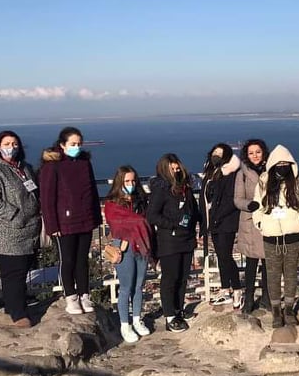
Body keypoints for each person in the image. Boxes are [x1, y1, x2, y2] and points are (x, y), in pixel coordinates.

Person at [251, 145, 299, 327]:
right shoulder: (263, 183)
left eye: (286, 163)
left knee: (291, 274)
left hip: (294, 236)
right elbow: (257, 207)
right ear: (272, 165)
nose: (282, 166)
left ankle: (289, 309)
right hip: (271, 237)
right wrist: (260, 224)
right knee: (273, 275)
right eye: (279, 163)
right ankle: (276, 310)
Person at [0, 130, 42, 328]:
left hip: (28, 230)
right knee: (14, 273)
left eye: (15, 144)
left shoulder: (24, 167)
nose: (11, 147)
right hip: (6, 232)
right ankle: (18, 314)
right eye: (7, 144)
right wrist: (16, 215)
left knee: (21, 271)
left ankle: (13, 306)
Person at [39, 127, 102, 316]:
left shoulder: (84, 163)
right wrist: (52, 225)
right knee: (67, 260)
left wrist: (96, 216)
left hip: (85, 220)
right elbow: (47, 198)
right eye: (73, 144)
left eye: (79, 144)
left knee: (82, 260)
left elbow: (92, 191)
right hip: (64, 222)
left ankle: (84, 295)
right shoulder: (52, 166)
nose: (77, 147)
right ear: (62, 145)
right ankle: (71, 296)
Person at [147, 153, 199, 332]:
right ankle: (170, 316)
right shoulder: (161, 189)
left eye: (177, 169)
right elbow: (152, 215)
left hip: (187, 238)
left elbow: (193, 210)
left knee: (183, 277)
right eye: (172, 169)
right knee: (170, 278)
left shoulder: (185, 188)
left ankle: (178, 309)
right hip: (169, 240)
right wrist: (172, 225)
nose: (176, 172)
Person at [103, 165, 152, 344]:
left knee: (139, 285)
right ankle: (125, 324)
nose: (131, 184)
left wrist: (138, 223)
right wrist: (138, 222)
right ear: (119, 182)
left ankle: (137, 319)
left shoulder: (141, 199)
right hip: (123, 246)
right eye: (127, 181)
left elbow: (146, 219)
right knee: (126, 287)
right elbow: (116, 223)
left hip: (141, 245)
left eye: (133, 181)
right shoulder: (112, 203)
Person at [201, 143, 242, 308]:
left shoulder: (231, 173)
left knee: (226, 256)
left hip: (226, 220)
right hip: (214, 221)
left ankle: (237, 289)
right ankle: (225, 289)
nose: (216, 155)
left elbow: (231, 198)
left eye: (220, 152)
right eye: (215, 152)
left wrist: (218, 216)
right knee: (220, 256)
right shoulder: (212, 172)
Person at [233, 139, 271, 315]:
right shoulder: (242, 174)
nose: (255, 155)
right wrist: (250, 205)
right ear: (246, 155)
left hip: (268, 221)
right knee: (251, 263)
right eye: (251, 153)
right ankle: (248, 298)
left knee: (268, 262)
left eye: (258, 152)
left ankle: (266, 297)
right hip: (250, 222)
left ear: (263, 152)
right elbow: (237, 199)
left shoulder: (271, 170)